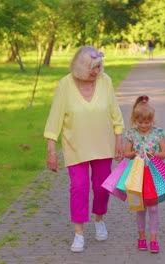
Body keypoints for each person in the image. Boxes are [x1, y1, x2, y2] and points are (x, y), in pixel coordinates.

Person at [44, 45, 125, 253]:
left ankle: (99, 219)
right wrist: (51, 151)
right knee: (79, 188)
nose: (97, 71)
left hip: (103, 145)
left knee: (101, 187)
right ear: (81, 67)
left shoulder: (105, 82)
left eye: (99, 66)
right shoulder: (65, 85)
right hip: (75, 147)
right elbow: (55, 119)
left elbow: (115, 113)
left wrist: (119, 140)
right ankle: (79, 233)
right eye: (93, 68)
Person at [123, 95, 165, 253]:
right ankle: (141, 237)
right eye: (140, 122)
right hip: (137, 174)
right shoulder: (132, 134)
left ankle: (154, 239)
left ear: (152, 120)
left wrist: (154, 154)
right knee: (140, 207)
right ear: (135, 120)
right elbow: (126, 153)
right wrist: (135, 152)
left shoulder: (158, 133)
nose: (143, 125)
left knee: (154, 208)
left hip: (153, 173)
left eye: (147, 122)